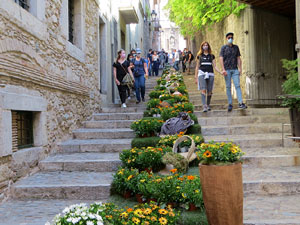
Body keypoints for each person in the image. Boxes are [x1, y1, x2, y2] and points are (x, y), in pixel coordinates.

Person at [220, 32, 247, 112]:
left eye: (231, 37)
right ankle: (230, 104)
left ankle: (240, 103)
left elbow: (238, 58)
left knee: (237, 86)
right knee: (228, 87)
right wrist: (223, 69)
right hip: (227, 70)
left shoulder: (236, 47)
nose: (230, 39)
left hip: (235, 69)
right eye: (228, 37)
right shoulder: (223, 48)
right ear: (226, 39)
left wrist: (240, 68)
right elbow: (221, 58)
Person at [195, 42, 222, 112]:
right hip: (201, 73)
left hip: (210, 74)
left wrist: (221, 72)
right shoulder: (199, 56)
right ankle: (204, 106)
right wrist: (195, 77)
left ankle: (208, 105)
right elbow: (197, 67)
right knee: (203, 90)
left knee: (209, 91)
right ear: (202, 47)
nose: (205, 46)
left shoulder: (211, 56)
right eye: (204, 45)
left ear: (208, 46)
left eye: (206, 45)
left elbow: (215, 66)